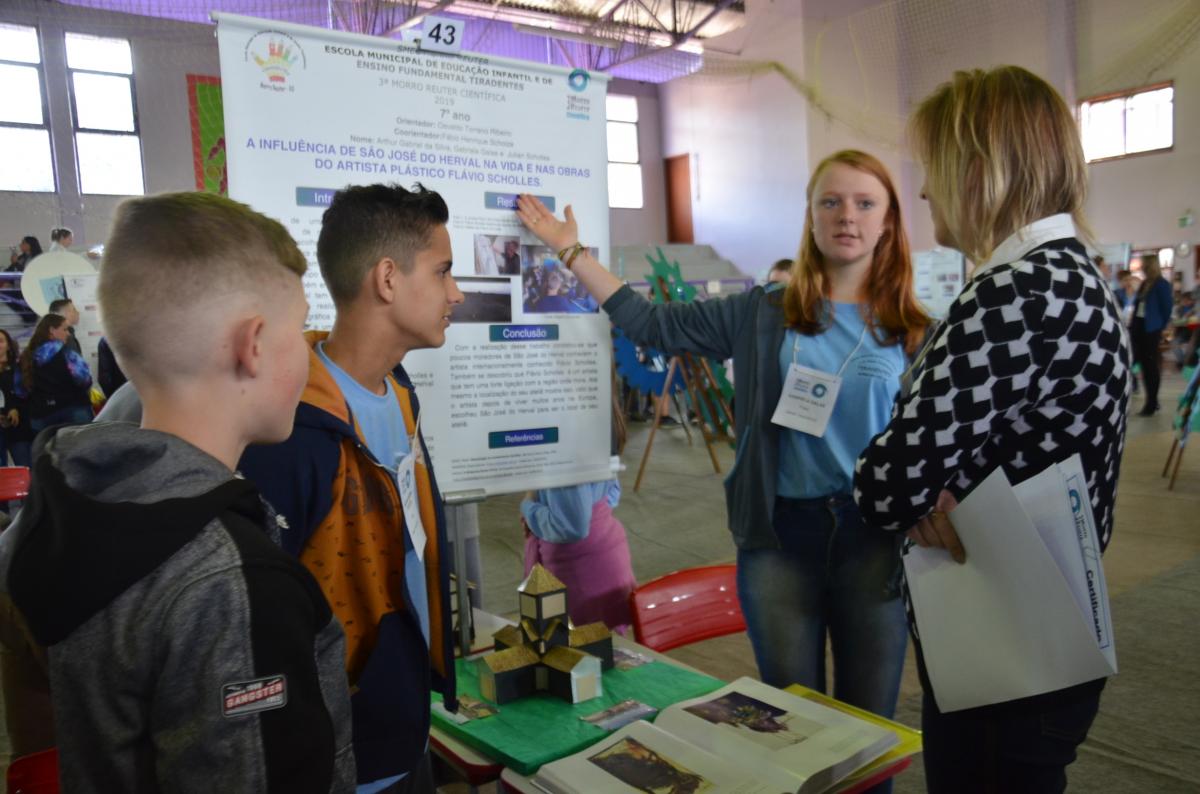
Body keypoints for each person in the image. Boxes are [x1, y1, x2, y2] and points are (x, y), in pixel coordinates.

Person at [516, 149, 930, 734]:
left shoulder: (913, 331)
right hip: (781, 537)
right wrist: (570, 251)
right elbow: (653, 323)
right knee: (791, 728)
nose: (847, 216)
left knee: (871, 729)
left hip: (874, 543)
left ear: (888, 221)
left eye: (866, 204)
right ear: (810, 216)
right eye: (830, 202)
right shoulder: (762, 313)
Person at [0, 191, 355, 791]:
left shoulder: (50, 517)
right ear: (255, 344)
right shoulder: (232, 582)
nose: (310, 350)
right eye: (300, 329)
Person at [854, 66, 1131, 793]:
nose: (923, 190)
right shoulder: (1078, 276)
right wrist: (935, 490)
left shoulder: (1016, 292)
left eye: (933, 168)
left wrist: (920, 491)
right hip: (1047, 633)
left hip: (1004, 645)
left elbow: (886, 483)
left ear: (981, 169)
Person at [239, 183, 463, 793]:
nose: (456, 293)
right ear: (388, 279)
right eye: (443, 272)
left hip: (409, 726)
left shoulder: (401, 390)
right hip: (341, 759)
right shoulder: (291, 438)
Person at [521, 389, 637, 633]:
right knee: (603, 657)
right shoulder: (593, 406)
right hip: (605, 562)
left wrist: (529, 506)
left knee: (583, 659)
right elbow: (612, 493)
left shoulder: (564, 427)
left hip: (582, 574)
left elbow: (571, 526)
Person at [15, 313, 93, 432]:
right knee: (82, 449)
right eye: (65, 329)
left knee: (47, 450)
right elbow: (84, 379)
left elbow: (21, 391)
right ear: (52, 330)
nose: (68, 333)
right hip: (74, 410)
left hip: (42, 416)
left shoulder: (26, 357)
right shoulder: (68, 354)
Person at [1130, 257, 1173, 415]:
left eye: (1144, 265)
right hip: (1139, 328)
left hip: (1151, 330)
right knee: (1142, 365)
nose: (1142, 268)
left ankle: (1152, 402)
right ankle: (1151, 400)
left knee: (1150, 366)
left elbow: (1167, 308)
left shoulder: (1161, 284)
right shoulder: (1144, 284)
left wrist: (1159, 326)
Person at [0, 329, 32, 468]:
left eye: (0, 341)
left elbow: (26, 394)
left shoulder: (18, 367)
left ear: (8, 344)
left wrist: (15, 409)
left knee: (25, 467)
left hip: (18, 426)